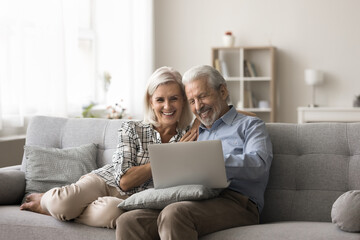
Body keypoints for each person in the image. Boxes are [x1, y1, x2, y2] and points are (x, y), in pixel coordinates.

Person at [20, 66, 198, 229]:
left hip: (131, 201)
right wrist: (168, 156)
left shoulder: (189, 136)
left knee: (112, 216)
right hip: (106, 181)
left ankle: (65, 212)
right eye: (160, 99)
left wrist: (198, 121)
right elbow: (125, 181)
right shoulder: (133, 129)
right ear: (151, 102)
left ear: (183, 100)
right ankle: (48, 201)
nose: (167, 106)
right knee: (63, 204)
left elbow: (215, 110)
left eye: (174, 98)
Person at [116, 65, 273, 239]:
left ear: (222, 91)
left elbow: (259, 164)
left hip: (239, 203)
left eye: (203, 96)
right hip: (197, 199)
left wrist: (212, 163)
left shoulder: (251, 126)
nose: (198, 106)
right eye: (192, 101)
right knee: (129, 220)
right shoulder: (194, 132)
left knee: (175, 213)